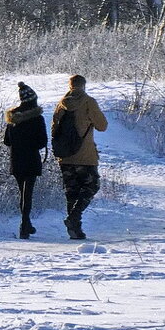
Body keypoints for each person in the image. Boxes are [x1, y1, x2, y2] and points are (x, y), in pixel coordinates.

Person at [52, 74, 108, 239]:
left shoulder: (61, 104)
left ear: (70, 86)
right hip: (85, 156)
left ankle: (75, 230)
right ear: (83, 85)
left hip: (65, 157)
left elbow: (54, 130)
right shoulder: (88, 101)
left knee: (72, 192)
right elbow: (102, 126)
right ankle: (74, 218)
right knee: (92, 186)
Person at [3, 82, 48, 239]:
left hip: (16, 161)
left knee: (22, 193)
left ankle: (26, 224)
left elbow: (6, 141)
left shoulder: (13, 119)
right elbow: (42, 142)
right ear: (33, 100)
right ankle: (24, 225)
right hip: (31, 161)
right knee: (27, 194)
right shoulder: (37, 119)